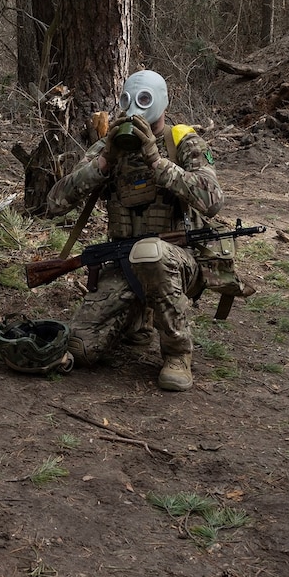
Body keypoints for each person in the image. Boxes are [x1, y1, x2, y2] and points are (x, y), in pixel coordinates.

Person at [42, 70, 224, 391]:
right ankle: (134, 316)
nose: (135, 108)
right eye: (128, 100)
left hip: (177, 261)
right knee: (80, 348)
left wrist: (157, 161)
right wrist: (103, 164)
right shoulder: (109, 147)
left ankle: (177, 354)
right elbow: (56, 202)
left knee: (151, 254)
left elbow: (212, 200)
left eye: (144, 100)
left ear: (163, 102)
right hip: (124, 264)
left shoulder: (181, 141)